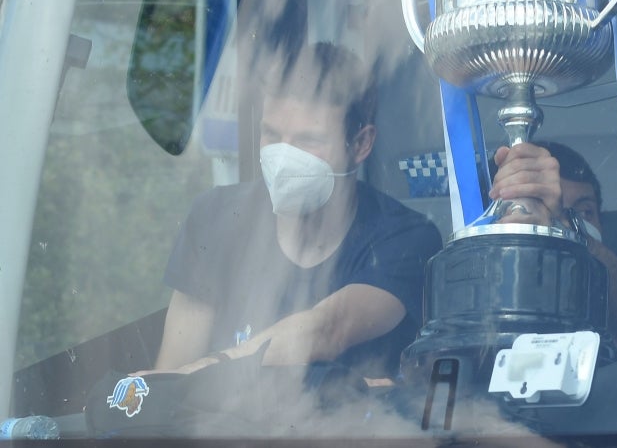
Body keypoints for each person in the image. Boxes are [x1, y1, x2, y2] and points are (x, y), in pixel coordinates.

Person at [154, 42, 444, 379]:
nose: (284, 157)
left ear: (361, 144)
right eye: (271, 134)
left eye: (308, 140)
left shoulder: (406, 238)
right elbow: (170, 375)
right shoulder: (215, 218)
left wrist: (210, 368)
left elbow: (327, 329)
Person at [490, 140, 617, 354]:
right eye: (541, 208)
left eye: (583, 213)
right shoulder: (481, 290)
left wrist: (565, 233)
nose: (566, 222)